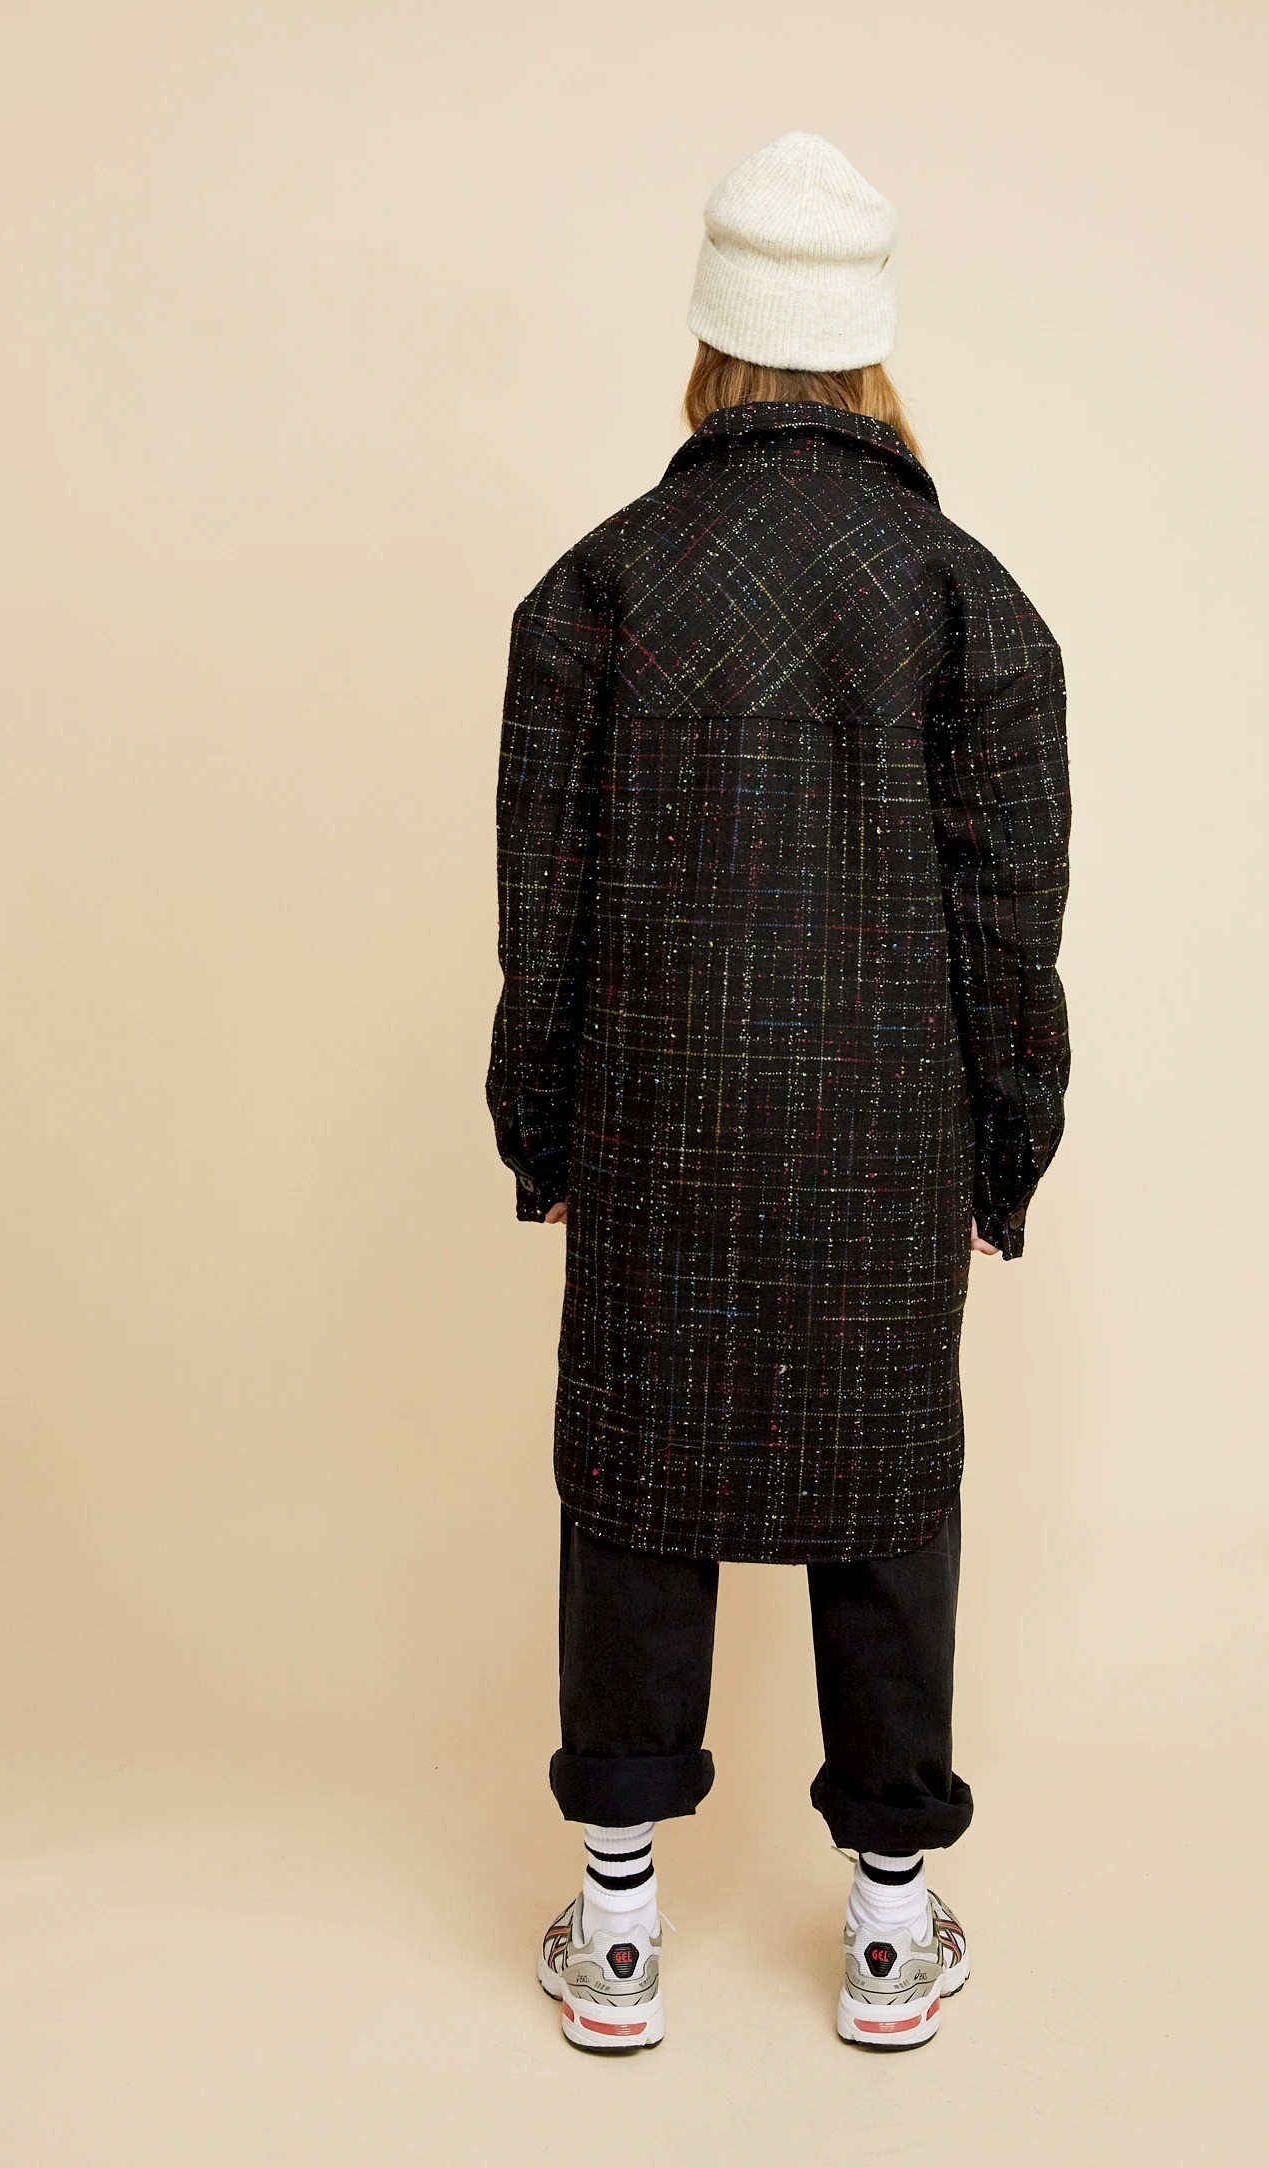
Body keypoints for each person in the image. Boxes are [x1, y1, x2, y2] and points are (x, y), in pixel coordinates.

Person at [486, 130, 1071, 2052]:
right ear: (869, 348)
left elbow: (542, 905)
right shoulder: (965, 594)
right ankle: (889, 1931)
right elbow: (1009, 913)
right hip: (887, 1139)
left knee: (633, 1488)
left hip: (653, 1127)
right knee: (887, 1494)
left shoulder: (598, 585)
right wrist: (1004, 1145)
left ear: (711, 341)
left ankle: (618, 1932)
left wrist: (542, 1125)